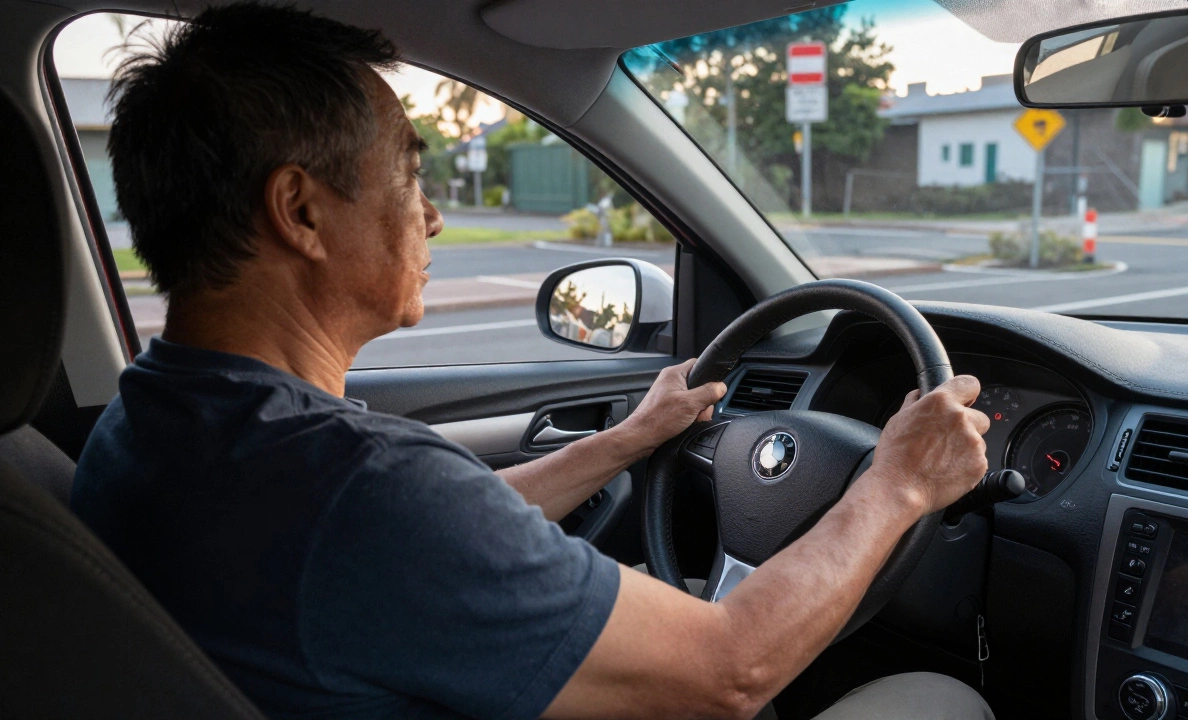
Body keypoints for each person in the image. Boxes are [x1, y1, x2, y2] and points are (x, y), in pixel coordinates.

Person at [71, 4, 995, 719]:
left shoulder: (150, 424)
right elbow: (731, 670)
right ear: (301, 212)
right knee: (943, 701)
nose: (430, 215)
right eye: (409, 172)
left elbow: (444, 534)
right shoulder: (354, 488)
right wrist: (898, 487)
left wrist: (624, 442)